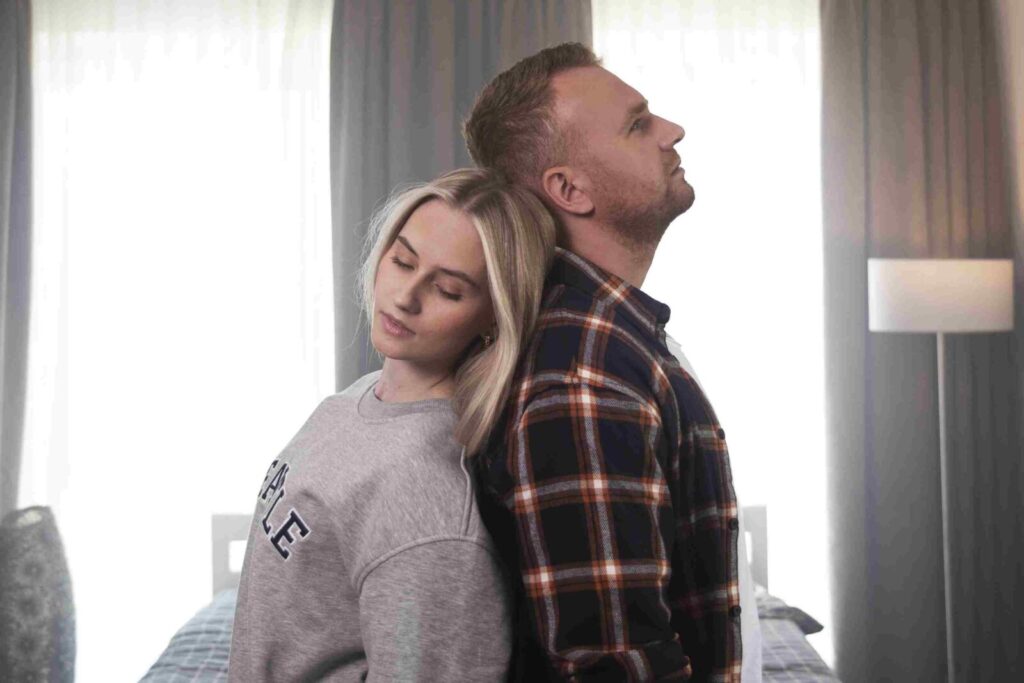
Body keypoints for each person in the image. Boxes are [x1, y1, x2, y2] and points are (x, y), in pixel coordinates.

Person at [464, 43, 761, 682]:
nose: (672, 130)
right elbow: (617, 667)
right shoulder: (584, 379)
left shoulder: (613, 342)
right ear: (569, 189)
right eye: (637, 123)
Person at [227, 168, 557, 682]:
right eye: (402, 261)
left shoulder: (431, 506)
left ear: (494, 316)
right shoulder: (357, 398)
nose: (406, 296)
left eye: (447, 290)